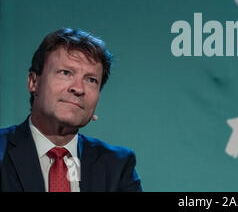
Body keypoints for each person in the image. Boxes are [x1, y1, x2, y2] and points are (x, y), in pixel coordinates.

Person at [0, 28, 142, 192]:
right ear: (33, 82)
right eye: (66, 72)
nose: (78, 88)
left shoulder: (116, 167)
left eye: (91, 80)